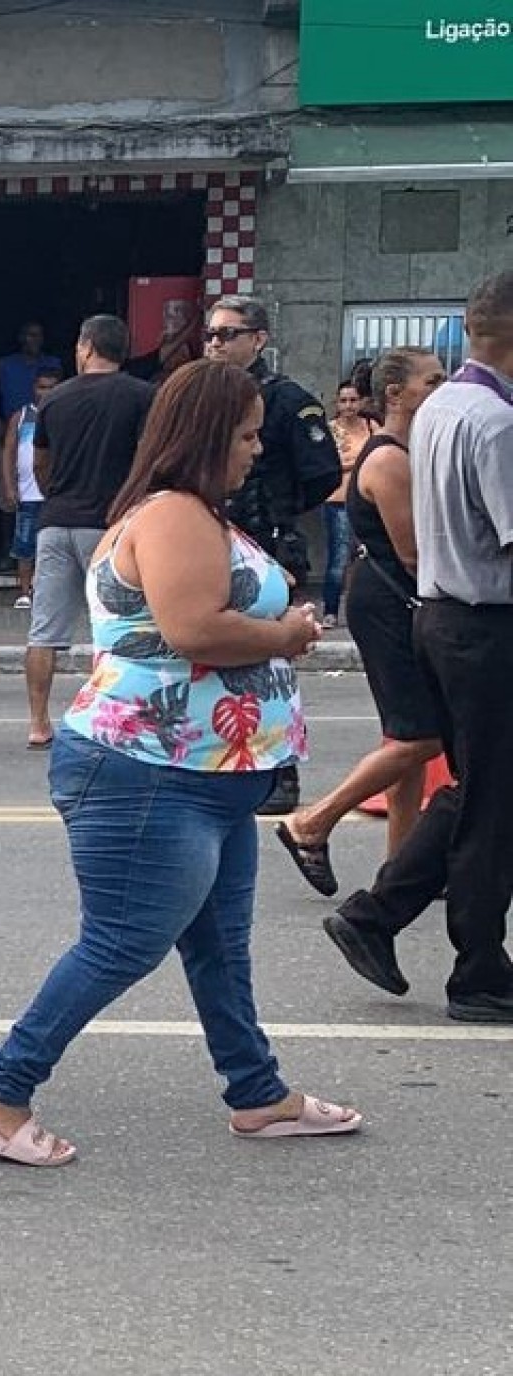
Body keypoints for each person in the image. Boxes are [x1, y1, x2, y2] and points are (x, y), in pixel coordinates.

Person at [0, 359, 357, 1168]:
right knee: (123, 942)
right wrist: (289, 635)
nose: (254, 450)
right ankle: (3, 1089)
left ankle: (258, 1093)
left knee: (219, 945)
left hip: (203, 776)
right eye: (243, 436)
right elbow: (194, 629)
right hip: (145, 773)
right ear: (206, 438)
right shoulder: (173, 515)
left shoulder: (196, 512)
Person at [324, 271, 513, 1023]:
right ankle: (478, 969)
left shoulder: (445, 408)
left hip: (448, 617)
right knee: (491, 804)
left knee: (479, 789)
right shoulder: (493, 421)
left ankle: (376, 914)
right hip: (483, 624)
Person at [274, 349, 445, 898]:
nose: (442, 387)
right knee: (419, 736)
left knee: (408, 734)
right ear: (395, 394)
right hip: (391, 600)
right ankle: (312, 822)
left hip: (393, 598)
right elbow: (415, 554)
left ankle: (400, 870)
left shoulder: (409, 450)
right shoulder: (390, 459)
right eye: (432, 380)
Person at [203, 294, 341, 817]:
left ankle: (280, 773)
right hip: (210, 537)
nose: (216, 343)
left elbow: (321, 472)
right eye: (211, 334)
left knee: (270, 661)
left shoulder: (285, 399)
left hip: (267, 541)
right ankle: (225, 760)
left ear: (258, 339)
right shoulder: (204, 393)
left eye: (228, 334)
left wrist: (278, 511)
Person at [22, 315, 154, 750]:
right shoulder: (141, 396)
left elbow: (39, 461)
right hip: (110, 525)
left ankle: (39, 722)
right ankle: (110, 717)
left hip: (56, 522)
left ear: (87, 345)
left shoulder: (54, 400)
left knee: (44, 631)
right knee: (116, 625)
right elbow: (148, 460)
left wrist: (54, 493)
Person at [0, 368, 61, 610]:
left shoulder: (63, 414)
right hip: (27, 494)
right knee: (24, 545)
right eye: (42, 387)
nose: (46, 392)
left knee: (52, 548)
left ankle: (47, 592)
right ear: (33, 388)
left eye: (51, 387)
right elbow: (8, 451)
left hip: (55, 494)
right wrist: (8, 486)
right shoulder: (21, 416)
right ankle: (25, 591)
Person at [322, 376, 376, 629]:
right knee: (339, 558)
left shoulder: (372, 426)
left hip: (369, 499)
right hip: (338, 500)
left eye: (353, 400)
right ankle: (330, 610)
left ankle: (366, 612)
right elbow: (328, 464)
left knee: (369, 557)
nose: (348, 406)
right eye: (343, 401)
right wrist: (361, 462)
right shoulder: (330, 429)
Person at [0, 322, 63, 441]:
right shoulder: (5, 364)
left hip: (45, 428)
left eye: (39, 336)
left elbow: (63, 395)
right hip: (11, 428)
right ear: (21, 338)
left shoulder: (53, 364)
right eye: (31, 335)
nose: (36, 340)